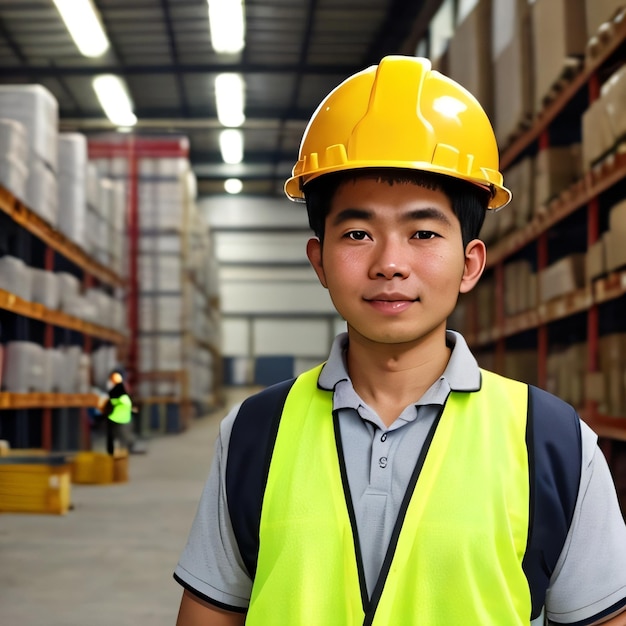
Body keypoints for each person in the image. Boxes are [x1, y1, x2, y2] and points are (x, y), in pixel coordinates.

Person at [174, 56, 626, 625]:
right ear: (319, 260)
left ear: (470, 263)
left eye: (423, 233)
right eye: (358, 233)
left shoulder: (552, 443)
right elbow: (209, 614)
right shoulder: (254, 434)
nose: (390, 263)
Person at [102, 370, 134, 455]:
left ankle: (123, 450)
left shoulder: (121, 390)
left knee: (123, 436)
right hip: (114, 416)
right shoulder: (112, 388)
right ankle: (116, 452)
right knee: (116, 436)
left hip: (121, 417)